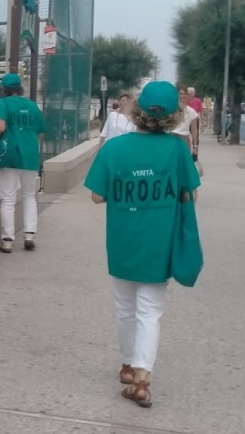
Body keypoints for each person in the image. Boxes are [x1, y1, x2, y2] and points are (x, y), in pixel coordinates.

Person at [83, 81, 201, 408]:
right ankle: (142, 378)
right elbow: (190, 195)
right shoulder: (177, 149)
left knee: (125, 307)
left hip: (122, 238)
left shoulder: (114, 148)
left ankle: (126, 365)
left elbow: (97, 196)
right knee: (150, 311)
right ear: (174, 115)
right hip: (160, 241)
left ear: (136, 110)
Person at [0, 73, 46, 253]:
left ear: (4, 89)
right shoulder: (32, 105)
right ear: (20, 88)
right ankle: (29, 234)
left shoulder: (3, 103)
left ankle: (7, 240)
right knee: (29, 196)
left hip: (11, 155)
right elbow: (40, 132)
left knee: (8, 198)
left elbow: (0, 127)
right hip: (30, 155)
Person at [174, 87, 201, 157]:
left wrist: (195, 146)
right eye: (180, 94)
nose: (183, 96)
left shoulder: (192, 112)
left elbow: (194, 131)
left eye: (185, 94)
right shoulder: (171, 110)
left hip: (185, 139)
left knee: (184, 161)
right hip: (172, 137)